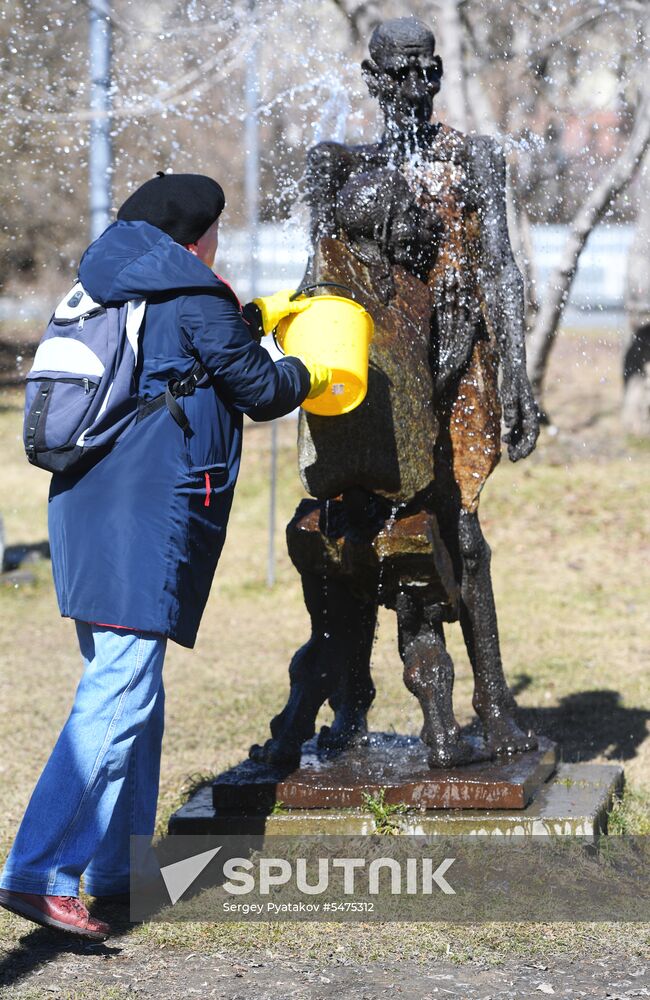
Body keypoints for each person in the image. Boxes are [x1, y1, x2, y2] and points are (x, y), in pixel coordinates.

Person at [0, 172, 329, 940]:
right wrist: (310, 368)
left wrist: (245, 318)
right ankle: (39, 869)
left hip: (88, 508)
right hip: (144, 511)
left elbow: (184, 360)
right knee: (121, 691)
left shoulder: (114, 282)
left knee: (132, 691)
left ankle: (115, 870)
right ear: (199, 235)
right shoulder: (193, 292)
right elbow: (261, 389)